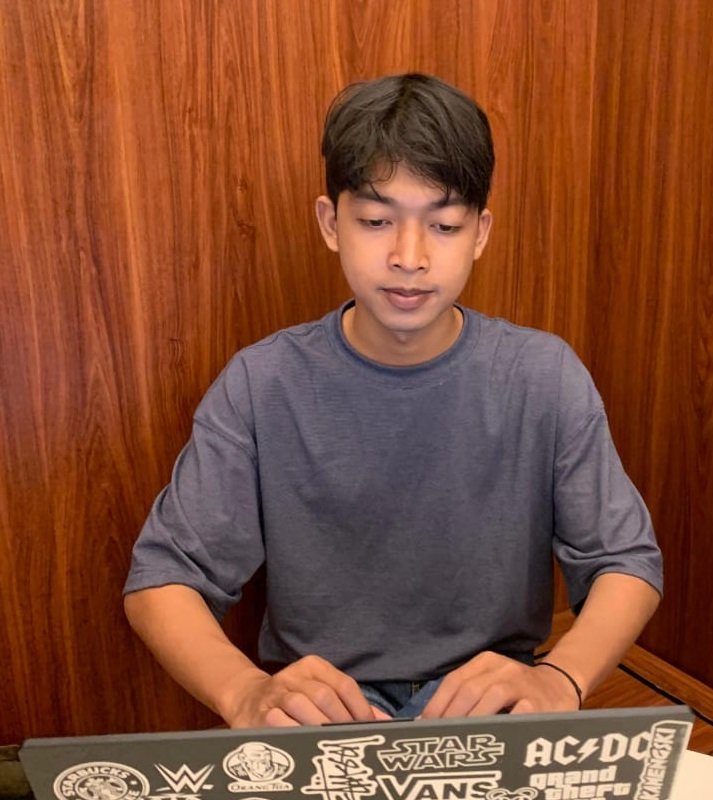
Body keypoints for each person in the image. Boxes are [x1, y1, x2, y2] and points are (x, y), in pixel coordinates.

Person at [123, 73, 662, 728]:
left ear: (480, 233)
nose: (409, 256)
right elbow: (163, 579)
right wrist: (243, 692)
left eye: (445, 224)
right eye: (377, 221)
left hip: (490, 713)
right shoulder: (262, 384)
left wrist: (559, 679)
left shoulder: (543, 376)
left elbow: (625, 560)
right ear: (331, 223)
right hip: (323, 718)